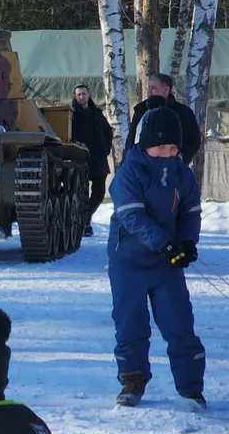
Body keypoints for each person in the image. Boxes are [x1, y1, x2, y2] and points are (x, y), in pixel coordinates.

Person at [109, 107, 206, 409]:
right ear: (144, 143)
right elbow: (132, 217)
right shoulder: (130, 173)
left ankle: (191, 388)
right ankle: (133, 380)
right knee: (131, 324)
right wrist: (167, 244)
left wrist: (187, 242)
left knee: (179, 323)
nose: (166, 152)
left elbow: (190, 211)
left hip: (166, 265)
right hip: (130, 263)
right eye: (160, 145)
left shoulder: (182, 173)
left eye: (172, 146)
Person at [125, 73, 201, 166]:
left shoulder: (183, 113)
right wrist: (126, 161)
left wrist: (179, 160)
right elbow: (131, 139)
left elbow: (193, 141)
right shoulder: (141, 110)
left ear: (166, 90)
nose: (149, 91)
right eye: (148, 87)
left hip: (170, 167)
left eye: (153, 88)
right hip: (139, 166)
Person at [70, 84, 113, 236]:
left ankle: (86, 217)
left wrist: (105, 149)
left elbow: (108, 132)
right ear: (75, 96)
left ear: (89, 95)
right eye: (79, 94)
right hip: (80, 159)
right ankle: (83, 223)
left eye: (84, 94)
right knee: (81, 192)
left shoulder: (97, 113)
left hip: (98, 158)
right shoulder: (72, 115)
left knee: (99, 192)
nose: (82, 97)